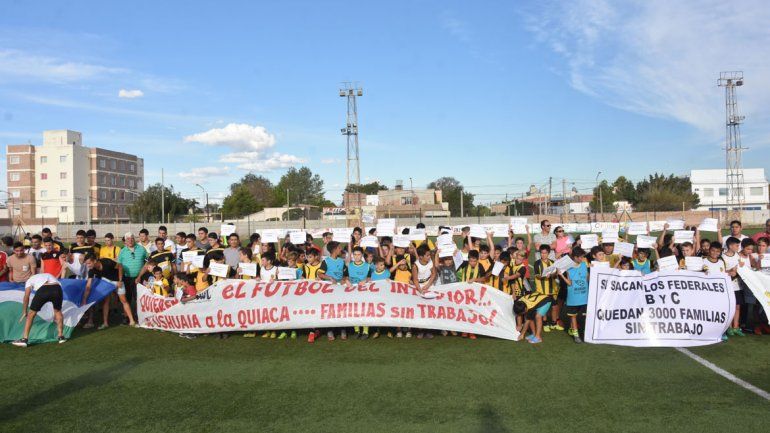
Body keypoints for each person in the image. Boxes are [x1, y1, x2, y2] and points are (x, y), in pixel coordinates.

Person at [12, 273, 67, 347]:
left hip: (43, 290)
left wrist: (25, 311)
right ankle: (61, 337)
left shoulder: (29, 280)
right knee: (57, 311)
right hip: (57, 288)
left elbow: (26, 296)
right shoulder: (47, 274)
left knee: (31, 314)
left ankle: (24, 339)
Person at [83, 253, 135, 329]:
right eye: (86, 264)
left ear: (95, 261)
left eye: (89, 263)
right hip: (107, 281)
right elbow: (88, 286)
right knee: (106, 301)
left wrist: (120, 280)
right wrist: (84, 300)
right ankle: (105, 323)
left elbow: (120, 266)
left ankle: (132, 321)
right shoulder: (91, 270)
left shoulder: (106, 262)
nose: (88, 265)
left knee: (123, 300)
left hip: (118, 280)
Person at [558, 247, 589, 343]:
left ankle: (584, 333)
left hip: (584, 297)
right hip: (573, 298)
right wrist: (561, 275)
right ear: (574, 257)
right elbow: (569, 283)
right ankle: (576, 335)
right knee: (573, 316)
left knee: (584, 317)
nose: (581, 259)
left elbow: (587, 278)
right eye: (579, 257)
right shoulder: (568, 268)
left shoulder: (584, 265)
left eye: (582, 257)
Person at [116, 232, 148, 323]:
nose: (130, 240)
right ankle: (127, 316)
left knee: (139, 298)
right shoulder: (122, 251)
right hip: (126, 278)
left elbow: (147, 262)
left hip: (139, 278)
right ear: (125, 241)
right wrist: (120, 279)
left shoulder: (141, 249)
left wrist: (140, 276)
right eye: (128, 239)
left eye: (132, 238)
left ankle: (140, 316)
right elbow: (120, 266)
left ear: (134, 239)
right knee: (127, 298)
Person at [533, 245, 562, 332]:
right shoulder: (537, 263)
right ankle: (545, 323)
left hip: (552, 289)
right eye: (542, 253)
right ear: (540, 253)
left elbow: (555, 275)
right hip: (542, 290)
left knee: (554, 307)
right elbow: (537, 275)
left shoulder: (553, 262)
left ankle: (554, 323)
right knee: (544, 308)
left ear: (548, 253)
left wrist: (555, 273)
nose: (543, 255)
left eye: (545, 253)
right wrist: (543, 276)